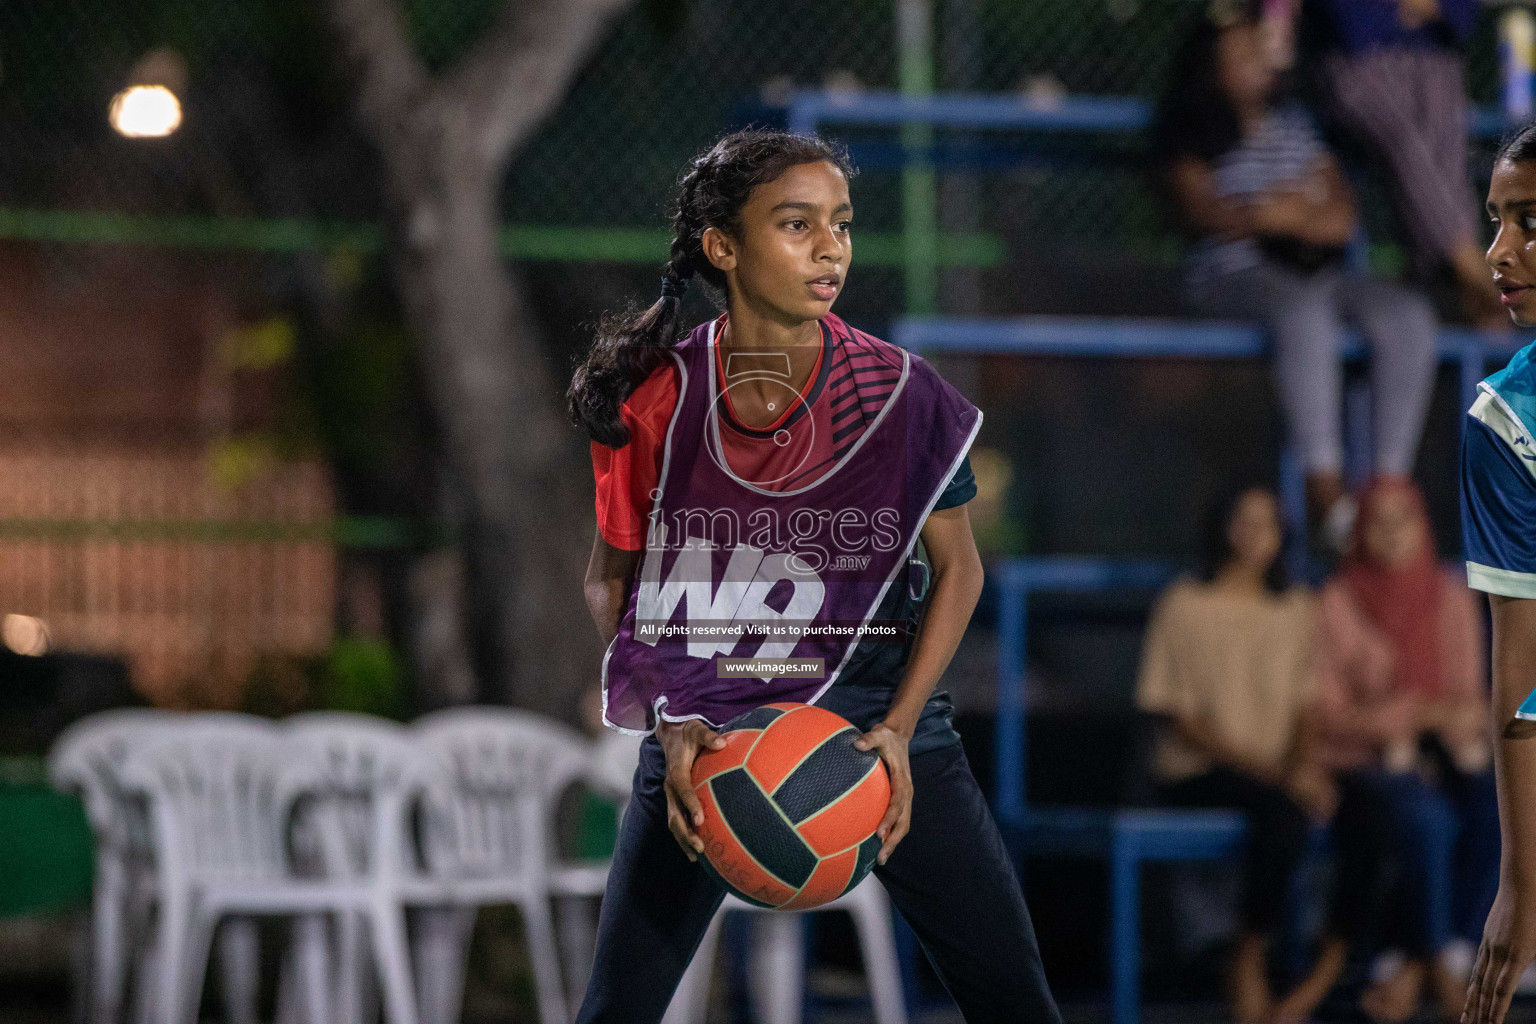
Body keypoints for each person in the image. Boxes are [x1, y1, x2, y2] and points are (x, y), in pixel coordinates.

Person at [566, 128, 1063, 1024]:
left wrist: (905, 727)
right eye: (797, 224)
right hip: (709, 735)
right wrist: (669, 715)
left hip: (875, 727)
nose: (829, 246)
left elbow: (958, 571)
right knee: (614, 1012)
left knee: (1018, 1006)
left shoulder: (901, 394)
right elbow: (612, 579)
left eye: (840, 223)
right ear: (723, 246)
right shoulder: (656, 401)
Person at [1150, 0, 1439, 548]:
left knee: (1407, 316)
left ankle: (1387, 487)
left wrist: (1276, 215)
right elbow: (1203, 213)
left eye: (1259, 48)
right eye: (1240, 51)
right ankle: (1324, 489)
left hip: (1320, 275)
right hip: (1237, 276)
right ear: (1209, 62)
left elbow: (1339, 218)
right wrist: (1277, 213)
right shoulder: (1187, 129)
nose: (1258, 59)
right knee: (1304, 315)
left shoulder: (1299, 124)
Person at [1137, 484, 1394, 1024]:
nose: (1256, 533)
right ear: (1222, 527)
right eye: (1244, 519)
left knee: (1374, 817)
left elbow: (1306, 706)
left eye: (1268, 523)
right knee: (1286, 819)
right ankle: (1248, 953)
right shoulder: (1185, 603)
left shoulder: (1297, 607)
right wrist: (1283, 776)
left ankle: (1326, 969)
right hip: (1201, 770)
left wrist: (1300, 766)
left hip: (1281, 772)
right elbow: (1179, 720)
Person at [1314, 477, 1496, 1023]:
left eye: (1405, 519)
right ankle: (1441, 971)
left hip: (1442, 752)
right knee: (1428, 819)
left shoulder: (1450, 595)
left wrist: (1415, 713)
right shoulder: (1336, 599)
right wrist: (1410, 715)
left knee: (1503, 807)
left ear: (1424, 526)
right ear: (1359, 532)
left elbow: (1469, 699)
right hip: (1362, 762)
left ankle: (1422, 966)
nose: (1393, 534)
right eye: (1379, 521)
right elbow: (1329, 717)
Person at [1460, 121, 1536, 1024]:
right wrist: (1522, 883)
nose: (1498, 251)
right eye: (1495, 221)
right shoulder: (1504, 426)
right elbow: (1522, 677)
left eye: (1529, 222)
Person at [1301, 0, 1503, 327]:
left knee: (1447, 161)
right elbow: (1352, 21)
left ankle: (1454, 285)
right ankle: (1468, 267)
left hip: (1435, 59)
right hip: (1355, 61)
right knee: (1408, 146)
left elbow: (1462, 13)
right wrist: (1417, 11)